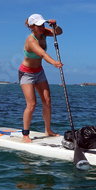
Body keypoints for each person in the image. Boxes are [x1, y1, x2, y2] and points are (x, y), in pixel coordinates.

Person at [19, 13, 63, 143]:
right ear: (32, 26)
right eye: (38, 25)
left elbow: (59, 32)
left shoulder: (44, 32)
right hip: (26, 73)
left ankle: (48, 130)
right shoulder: (31, 40)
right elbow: (43, 54)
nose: (41, 27)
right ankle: (25, 135)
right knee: (32, 104)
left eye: (42, 24)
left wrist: (55, 25)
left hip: (39, 72)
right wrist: (54, 62)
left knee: (47, 101)